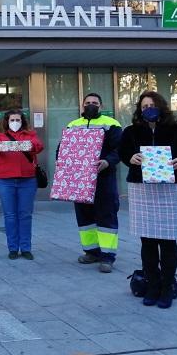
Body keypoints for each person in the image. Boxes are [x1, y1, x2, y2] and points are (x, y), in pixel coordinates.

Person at [119, 91, 177, 308]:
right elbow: (123, 153)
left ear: (161, 106)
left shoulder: (176, 129)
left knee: (168, 240)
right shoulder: (131, 131)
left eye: (151, 104)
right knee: (148, 240)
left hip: (169, 188)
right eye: (143, 106)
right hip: (142, 189)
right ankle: (152, 285)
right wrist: (130, 158)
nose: (147, 108)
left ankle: (167, 286)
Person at [66, 93, 122, 273]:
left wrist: (107, 161)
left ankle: (107, 257)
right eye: (88, 102)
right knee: (84, 217)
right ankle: (91, 252)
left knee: (106, 216)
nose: (91, 105)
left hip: (104, 178)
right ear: (82, 105)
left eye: (95, 103)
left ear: (101, 105)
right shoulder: (73, 125)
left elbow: (119, 148)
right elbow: (63, 148)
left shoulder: (111, 124)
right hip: (80, 179)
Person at [0, 109, 44, 260]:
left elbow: (39, 146)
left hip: (27, 180)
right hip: (5, 180)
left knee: (25, 215)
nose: (15, 123)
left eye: (17, 120)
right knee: (10, 215)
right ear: (7, 122)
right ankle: (13, 248)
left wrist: (29, 145)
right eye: (12, 120)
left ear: (22, 121)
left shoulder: (30, 135)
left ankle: (26, 247)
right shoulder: (1, 137)